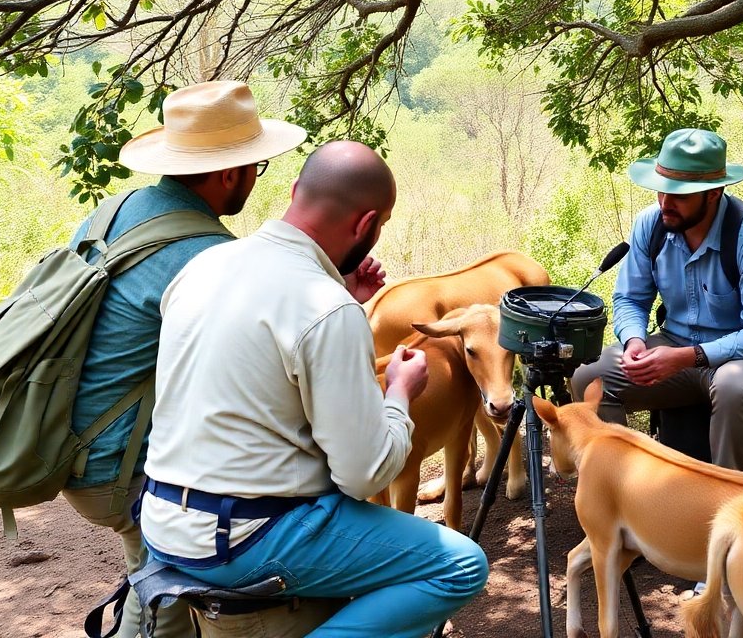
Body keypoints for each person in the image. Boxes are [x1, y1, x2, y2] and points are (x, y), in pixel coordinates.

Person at [140, 141, 490, 637]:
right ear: (367, 224)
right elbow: (364, 476)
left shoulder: (203, 267)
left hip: (163, 519)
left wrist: (344, 300)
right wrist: (398, 395)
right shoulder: (326, 309)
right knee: (460, 565)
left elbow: (256, 365)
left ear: (294, 192)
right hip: (244, 536)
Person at [61, 80, 306, 638]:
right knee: (164, 607)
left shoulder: (121, 209)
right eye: (254, 167)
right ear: (228, 174)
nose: (253, 177)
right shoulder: (207, 256)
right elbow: (257, 364)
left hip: (69, 441)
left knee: (154, 587)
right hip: (120, 467)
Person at [570, 128, 743, 473]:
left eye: (679, 196)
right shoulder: (652, 224)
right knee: (589, 376)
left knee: (733, 385)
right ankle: (623, 490)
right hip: (676, 342)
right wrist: (633, 339)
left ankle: (727, 498)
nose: (665, 203)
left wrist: (685, 358)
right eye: (662, 190)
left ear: (713, 193)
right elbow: (630, 297)